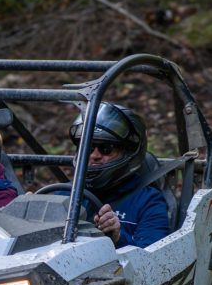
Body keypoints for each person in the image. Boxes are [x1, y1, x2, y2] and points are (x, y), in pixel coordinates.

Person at [70, 102, 170, 247]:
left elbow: (154, 260)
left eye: (106, 148)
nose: (94, 155)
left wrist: (118, 237)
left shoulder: (148, 201)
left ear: (127, 152)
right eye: (88, 148)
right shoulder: (65, 193)